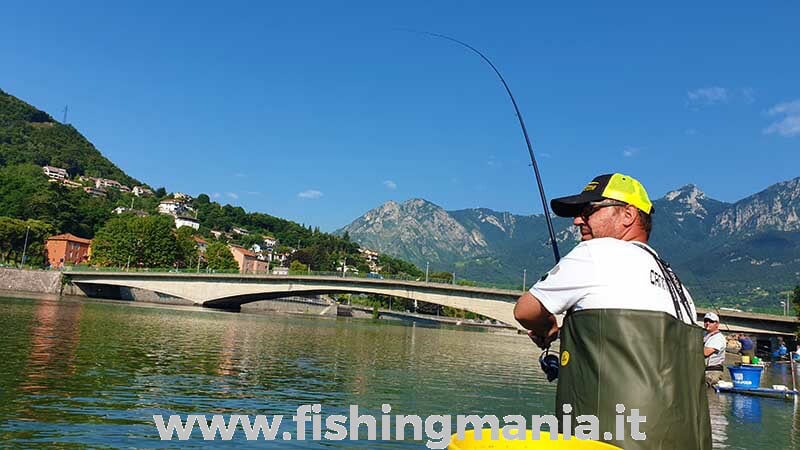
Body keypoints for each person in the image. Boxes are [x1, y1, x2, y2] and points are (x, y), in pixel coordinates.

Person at [514, 173, 711, 450]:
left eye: (588, 211)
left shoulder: (597, 252)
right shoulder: (677, 285)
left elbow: (525, 310)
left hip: (610, 440)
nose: (577, 220)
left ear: (628, 215)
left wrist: (547, 328)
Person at [703, 312, 726, 386]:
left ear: (717, 324)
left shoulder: (718, 338)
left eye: (711, 321)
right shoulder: (705, 335)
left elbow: (705, 352)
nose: (708, 323)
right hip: (703, 370)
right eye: (706, 321)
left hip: (713, 372)